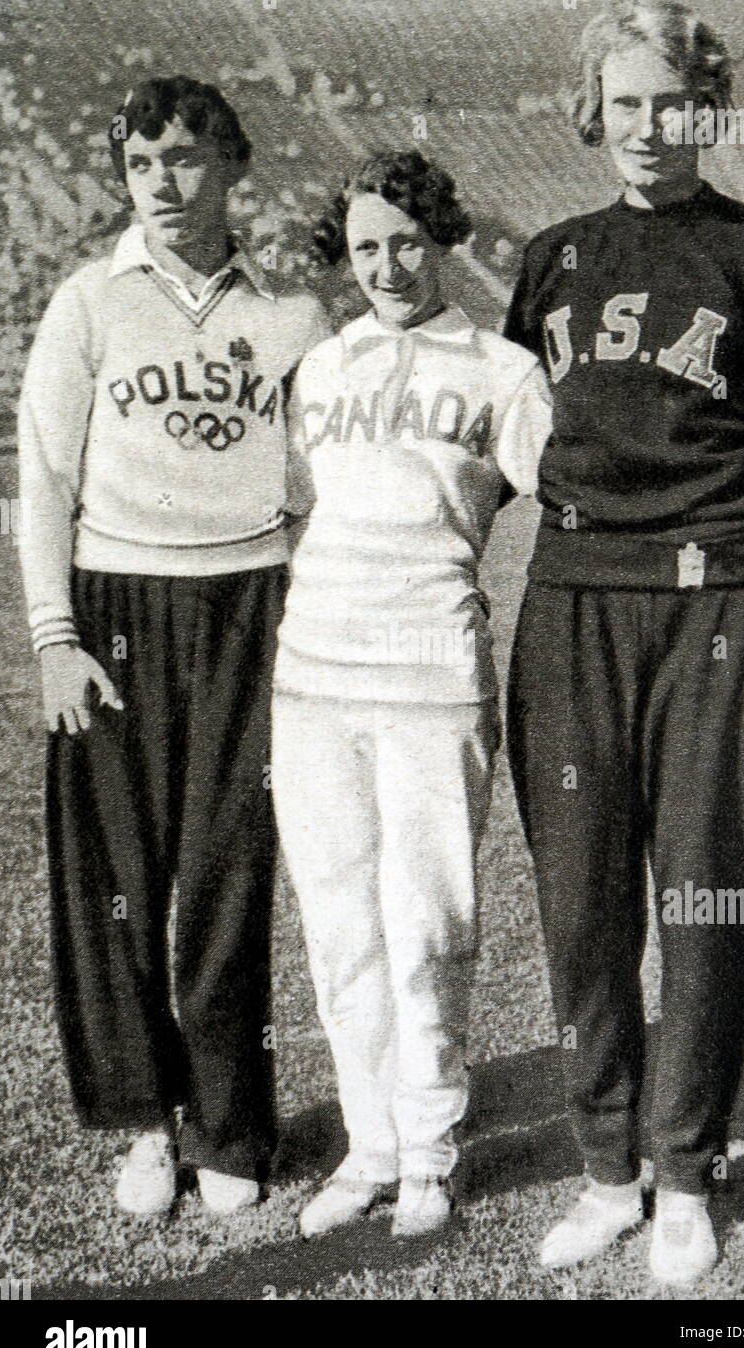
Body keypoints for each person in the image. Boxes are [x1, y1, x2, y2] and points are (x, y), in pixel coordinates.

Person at [504, 1, 744, 1285]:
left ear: (706, 109)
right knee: (582, 902)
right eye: (624, 104)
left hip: (720, 604)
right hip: (574, 603)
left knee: (707, 899)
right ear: (596, 111)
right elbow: (492, 448)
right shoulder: (550, 261)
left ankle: (689, 1171)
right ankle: (608, 1167)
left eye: (670, 104)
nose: (646, 129)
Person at [18, 75, 329, 1218]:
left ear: (232, 166)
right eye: (143, 164)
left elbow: (315, 489)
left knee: (228, 872)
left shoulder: (293, 316)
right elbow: (43, 480)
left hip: (248, 609)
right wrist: (55, 639)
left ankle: (232, 1119)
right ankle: (144, 1120)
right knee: (112, 882)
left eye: (187, 159)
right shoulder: (87, 304)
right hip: (114, 611)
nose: (164, 183)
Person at [271, 150, 552, 1240]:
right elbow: (294, 511)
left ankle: (430, 1150)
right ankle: (371, 1143)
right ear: (342, 256)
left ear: (438, 239)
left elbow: (575, 498)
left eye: (404, 240)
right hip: (314, 678)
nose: (387, 263)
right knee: (340, 925)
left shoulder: (501, 369)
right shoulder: (324, 368)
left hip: (434, 673)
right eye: (364, 246)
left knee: (426, 922)